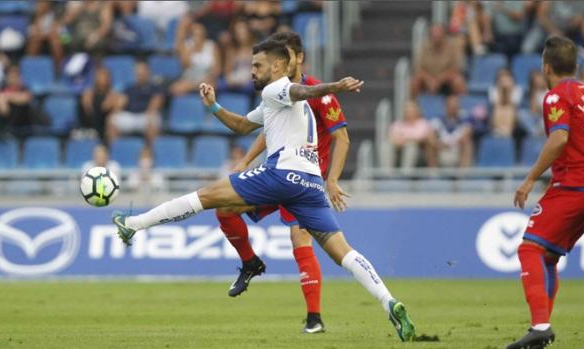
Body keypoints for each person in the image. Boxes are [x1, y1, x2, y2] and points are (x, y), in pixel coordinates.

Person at [112, 39, 415, 342]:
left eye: (257, 65)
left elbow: (303, 92)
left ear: (278, 66)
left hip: (281, 174)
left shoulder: (278, 88)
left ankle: (134, 224)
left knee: (206, 197)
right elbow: (244, 126)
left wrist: (333, 86)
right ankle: (390, 303)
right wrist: (214, 107)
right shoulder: (274, 101)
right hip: (310, 185)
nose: (252, 71)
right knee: (343, 252)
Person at [212, 31, 351, 334]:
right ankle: (250, 263)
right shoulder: (277, 92)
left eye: (287, 55)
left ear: (299, 58)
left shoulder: (320, 93)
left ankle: (314, 319)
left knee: (299, 240)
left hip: (306, 181)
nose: (281, 62)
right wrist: (247, 161)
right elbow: (264, 130)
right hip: (277, 174)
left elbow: (341, 137)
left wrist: (333, 180)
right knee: (224, 207)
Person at [509, 35, 584, 349]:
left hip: (572, 186)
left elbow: (558, 139)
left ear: (546, 67)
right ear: (576, 65)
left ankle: (540, 325)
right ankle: (540, 329)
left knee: (529, 250)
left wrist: (529, 180)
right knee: (549, 256)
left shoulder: (556, 96)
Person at [107, 61, 164, 145]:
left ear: (148, 72)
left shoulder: (155, 88)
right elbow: (121, 102)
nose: (140, 74)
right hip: (131, 116)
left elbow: (156, 102)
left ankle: (150, 152)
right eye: (138, 72)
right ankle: (116, 150)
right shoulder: (129, 88)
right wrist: (116, 110)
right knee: (112, 120)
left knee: (153, 121)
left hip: (145, 115)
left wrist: (150, 113)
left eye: (142, 72)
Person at [411, 24, 466, 96]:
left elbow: (455, 69)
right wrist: (429, 80)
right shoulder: (424, 48)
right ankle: (413, 104)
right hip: (428, 81)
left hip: (447, 82)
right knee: (414, 81)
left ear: (444, 36)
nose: (436, 38)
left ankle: (459, 104)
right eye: (434, 36)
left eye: (438, 36)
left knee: (458, 81)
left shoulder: (452, 47)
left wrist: (439, 80)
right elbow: (420, 69)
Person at [170, 22, 221, 96]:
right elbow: (185, 65)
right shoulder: (187, 45)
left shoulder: (212, 46)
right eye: (195, 34)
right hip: (189, 78)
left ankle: (192, 88)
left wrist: (209, 78)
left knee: (212, 86)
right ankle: (195, 88)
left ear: (204, 34)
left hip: (207, 79)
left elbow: (217, 69)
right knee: (175, 88)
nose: (197, 36)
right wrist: (192, 50)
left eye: (200, 34)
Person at [426, 95, 474, 167]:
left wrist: (452, 143)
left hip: (457, 151)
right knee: (429, 144)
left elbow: (468, 132)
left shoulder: (464, 119)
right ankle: (433, 175)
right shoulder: (438, 120)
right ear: (446, 107)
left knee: (467, 144)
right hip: (441, 150)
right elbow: (430, 135)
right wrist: (438, 145)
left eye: (455, 106)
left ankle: (462, 177)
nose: (453, 108)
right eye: (451, 106)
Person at [81, 67, 121, 143]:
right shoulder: (88, 95)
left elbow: (112, 114)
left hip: (106, 129)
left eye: (105, 76)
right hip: (90, 126)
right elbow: (88, 113)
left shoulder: (114, 96)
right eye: (99, 75)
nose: (102, 78)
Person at [388, 100, 432, 168]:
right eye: (407, 111)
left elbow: (425, 138)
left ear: (417, 111)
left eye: (411, 111)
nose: (409, 113)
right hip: (399, 149)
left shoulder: (423, 123)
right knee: (386, 145)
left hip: (418, 151)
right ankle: (386, 173)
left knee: (411, 146)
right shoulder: (398, 124)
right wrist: (401, 141)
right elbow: (391, 137)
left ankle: (406, 173)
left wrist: (407, 140)